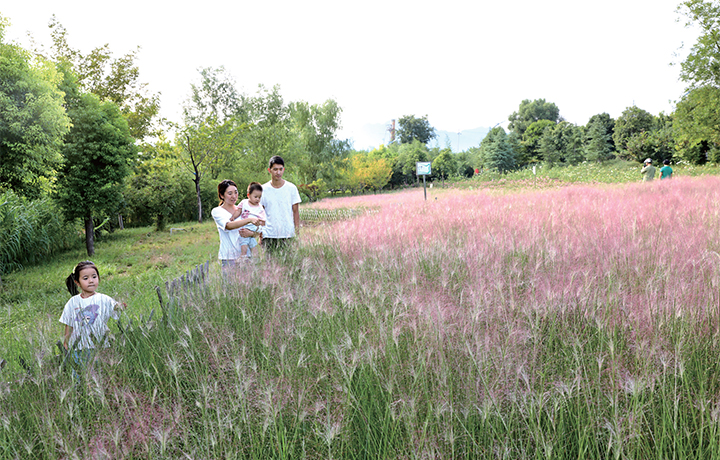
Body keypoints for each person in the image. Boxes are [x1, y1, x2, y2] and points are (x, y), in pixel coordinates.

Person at [59, 261, 125, 377]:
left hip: (100, 345)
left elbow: (115, 307)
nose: (91, 281)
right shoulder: (73, 302)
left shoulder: (103, 299)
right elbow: (69, 325)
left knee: (100, 375)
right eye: (85, 278)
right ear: (77, 282)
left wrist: (120, 306)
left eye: (94, 277)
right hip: (78, 348)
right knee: (80, 375)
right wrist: (66, 343)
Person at [243, 156, 301, 254]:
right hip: (268, 235)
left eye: (280, 169)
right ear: (269, 170)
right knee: (270, 262)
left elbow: (295, 212)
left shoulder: (291, 188)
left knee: (289, 262)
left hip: (287, 234)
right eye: (275, 169)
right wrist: (260, 234)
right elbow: (259, 213)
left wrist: (297, 234)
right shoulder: (263, 189)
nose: (278, 172)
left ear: (283, 170)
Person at [211, 179, 263, 268]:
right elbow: (228, 226)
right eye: (230, 193)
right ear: (222, 195)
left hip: (247, 256)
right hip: (229, 257)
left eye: (236, 192)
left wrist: (251, 233)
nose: (234, 196)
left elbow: (258, 228)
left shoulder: (243, 209)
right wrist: (249, 220)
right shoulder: (217, 211)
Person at [231, 181, 266, 260]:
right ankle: (243, 256)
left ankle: (256, 258)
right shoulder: (244, 203)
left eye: (259, 197)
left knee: (253, 244)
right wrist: (233, 217)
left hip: (254, 228)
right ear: (248, 195)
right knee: (245, 242)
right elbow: (239, 211)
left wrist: (259, 224)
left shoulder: (260, 207)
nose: (257, 199)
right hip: (245, 227)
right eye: (255, 197)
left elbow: (263, 221)